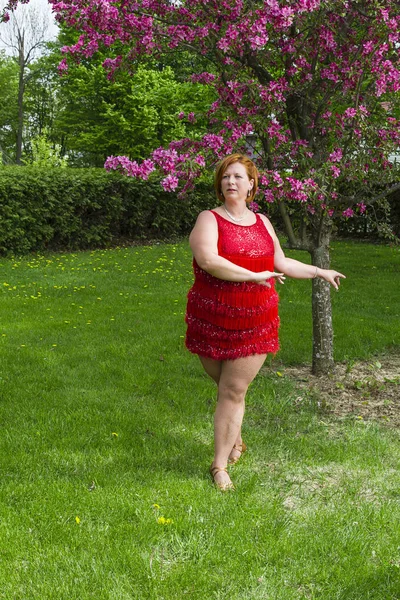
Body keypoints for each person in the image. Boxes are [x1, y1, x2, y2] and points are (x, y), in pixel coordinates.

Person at [185, 153, 345, 491]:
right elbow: (209, 260)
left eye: (238, 177)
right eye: (226, 176)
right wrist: (252, 275)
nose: (231, 182)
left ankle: (219, 466)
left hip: (256, 319)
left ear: (252, 184)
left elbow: (282, 263)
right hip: (211, 317)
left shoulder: (263, 223)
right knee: (226, 386)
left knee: (232, 389)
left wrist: (319, 271)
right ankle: (235, 438)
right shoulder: (208, 219)